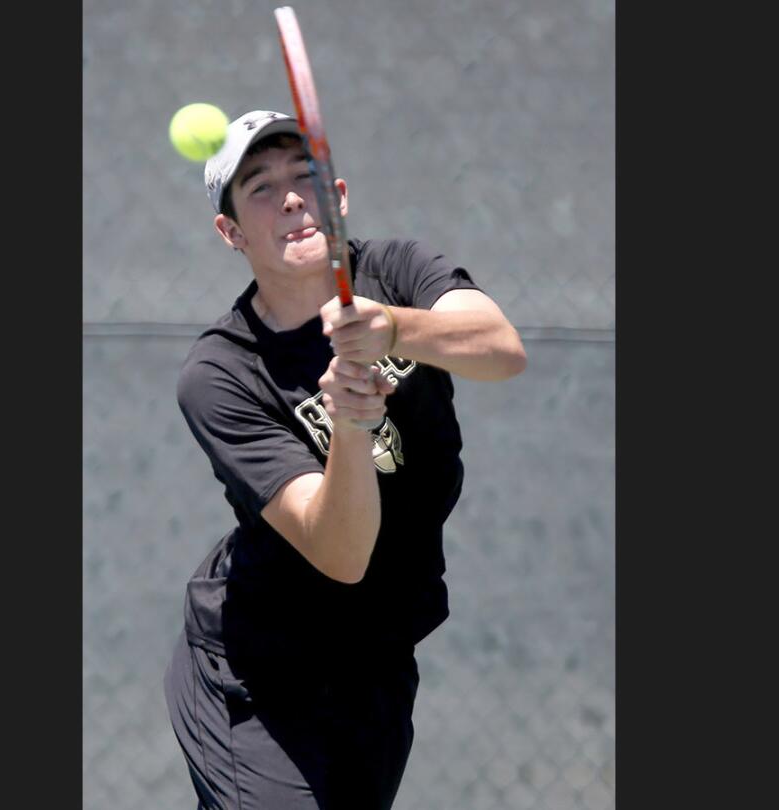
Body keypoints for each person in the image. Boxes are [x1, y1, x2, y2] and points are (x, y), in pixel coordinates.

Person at [163, 109, 527, 809]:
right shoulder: (221, 373)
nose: (293, 195)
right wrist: (353, 424)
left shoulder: (397, 271)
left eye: (305, 176)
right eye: (261, 187)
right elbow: (340, 552)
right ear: (231, 232)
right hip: (257, 676)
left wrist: (394, 326)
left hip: (377, 656)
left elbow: (501, 349)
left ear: (340, 195)